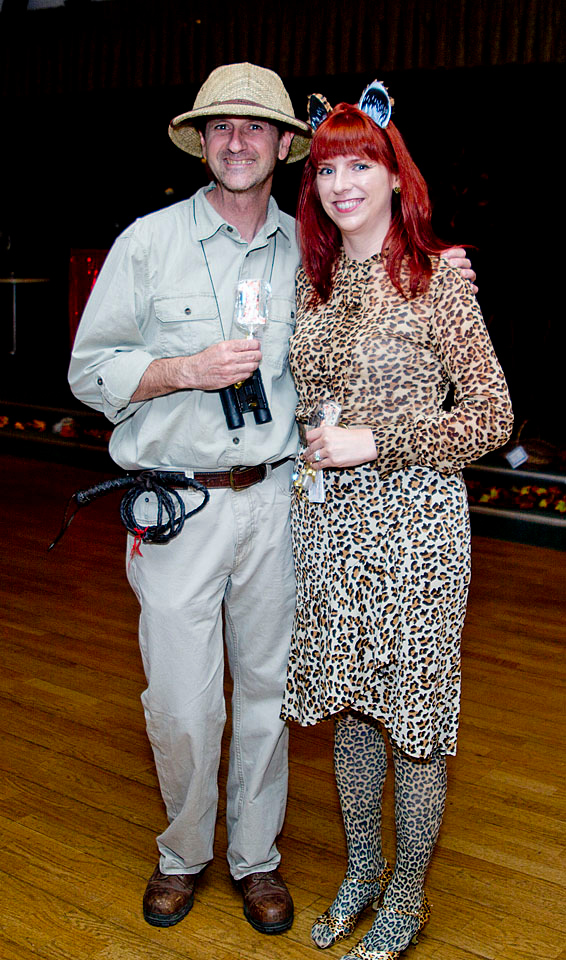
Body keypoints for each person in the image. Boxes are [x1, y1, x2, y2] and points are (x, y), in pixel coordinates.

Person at [68, 63, 475, 937]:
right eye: (222, 126)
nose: (238, 141)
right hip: (177, 507)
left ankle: (256, 857)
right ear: (201, 141)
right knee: (182, 704)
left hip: (284, 505)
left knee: (267, 695)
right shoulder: (148, 242)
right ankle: (183, 852)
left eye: (256, 126)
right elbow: (87, 371)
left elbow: (385, 299)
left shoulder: (313, 247)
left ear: (285, 145)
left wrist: (436, 266)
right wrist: (182, 370)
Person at [279, 87, 513, 960]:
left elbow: (493, 416)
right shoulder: (313, 282)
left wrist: (379, 439)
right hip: (330, 530)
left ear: (392, 175)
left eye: (360, 164)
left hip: (415, 532)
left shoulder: (436, 277)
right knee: (350, 711)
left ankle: (407, 897)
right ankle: (363, 872)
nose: (342, 183)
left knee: (412, 722)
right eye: (326, 168)